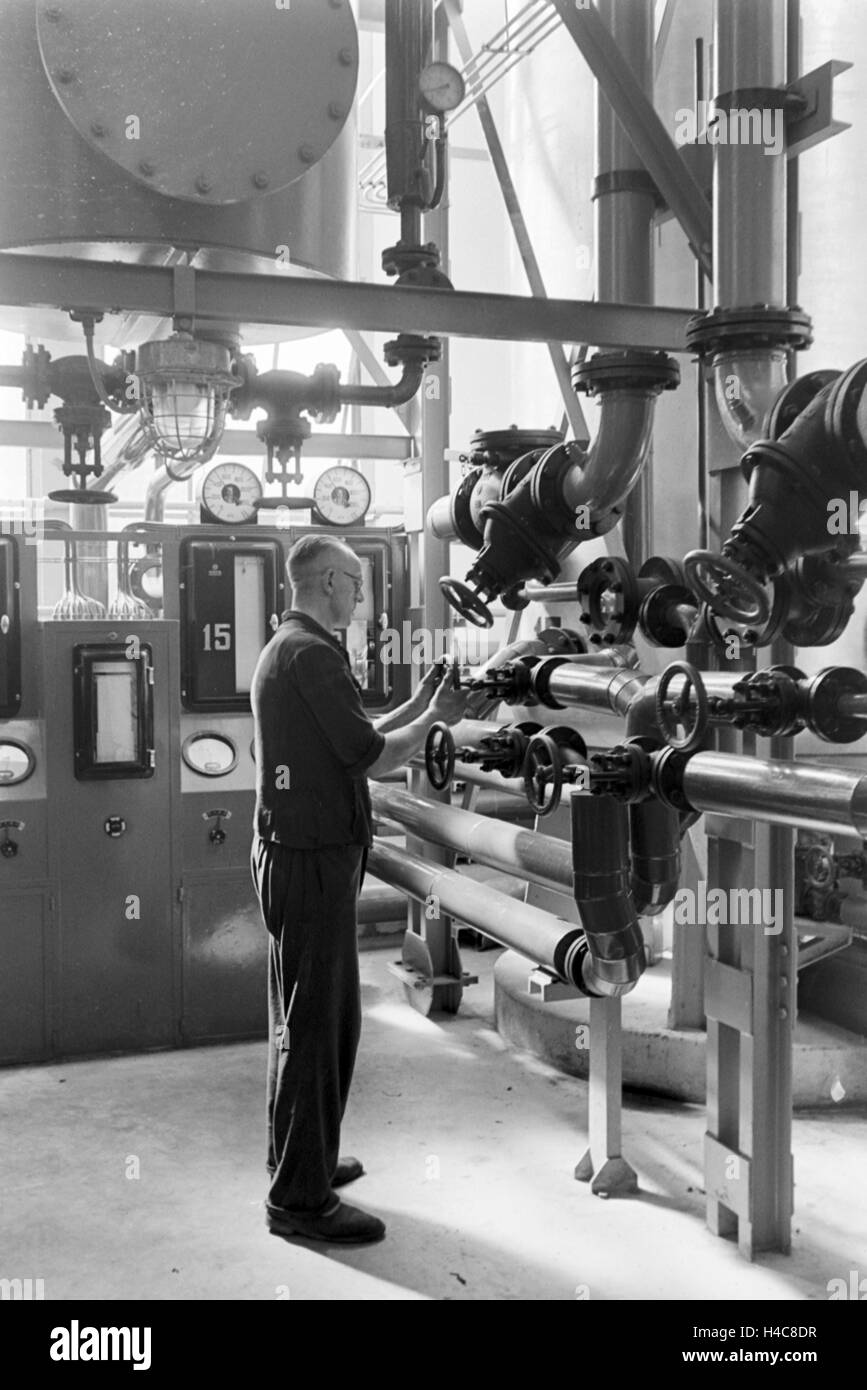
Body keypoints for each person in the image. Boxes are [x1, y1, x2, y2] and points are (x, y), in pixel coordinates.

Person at [250, 533, 471, 1245]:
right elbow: (371, 758)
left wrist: (425, 702)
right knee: (320, 1025)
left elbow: (356, 735)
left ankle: (297, 1161)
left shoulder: (295, 648)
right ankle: (301, 1203)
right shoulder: (310, 653)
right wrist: (438, 720)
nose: (361, 599)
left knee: (304, 1017)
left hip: (300, 852)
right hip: (309, 859)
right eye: (355, 583)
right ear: (325, 582)